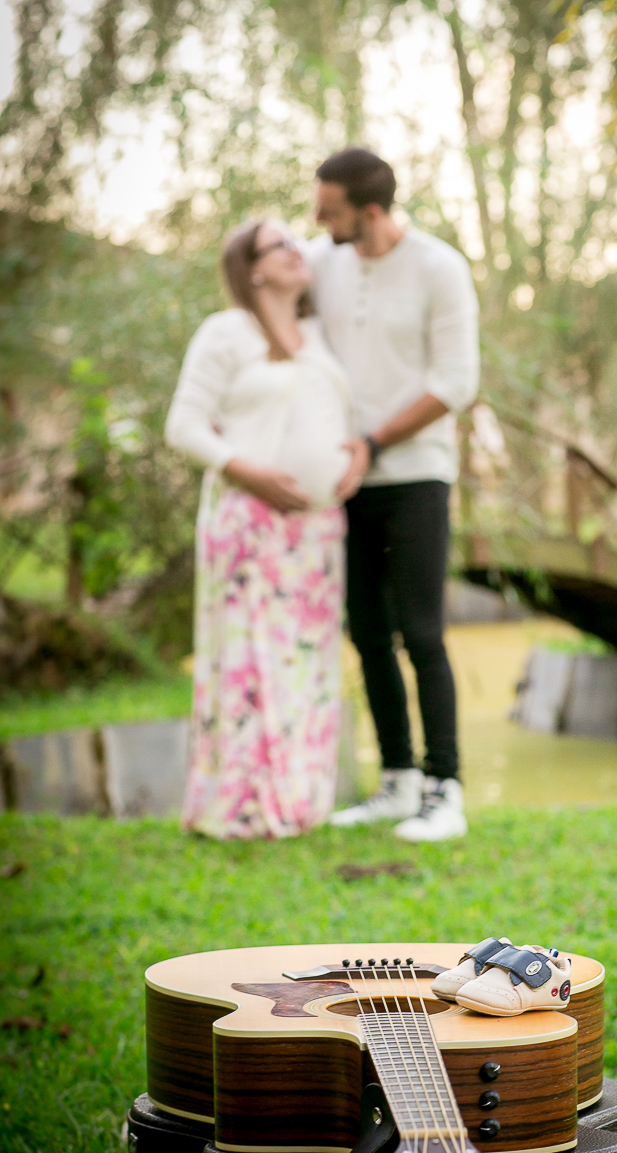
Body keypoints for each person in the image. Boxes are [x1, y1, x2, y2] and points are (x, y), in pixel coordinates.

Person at [306, 147, 480, 842]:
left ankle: (446, 790)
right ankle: (397, 782)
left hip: (416, 477)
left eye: (329, 210)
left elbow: (456, 383)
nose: (317, 223)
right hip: (341, 483)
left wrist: (373, 443)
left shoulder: (440, 268)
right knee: (367, 633)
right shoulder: (323, 262)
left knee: (422, 632)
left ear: (369, 211)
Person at [165, 218, 358, 839]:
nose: (297, 252)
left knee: (308, 664)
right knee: (251, 663)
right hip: (249, 524)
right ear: (252, 268)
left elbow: (334, 412)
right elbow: (185, 425)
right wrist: (249, 471)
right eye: (281, 246)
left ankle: (301, 798)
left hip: (317, 530)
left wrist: (355, 453)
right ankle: (242, 804)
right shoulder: (226, 333)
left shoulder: (317, 333)